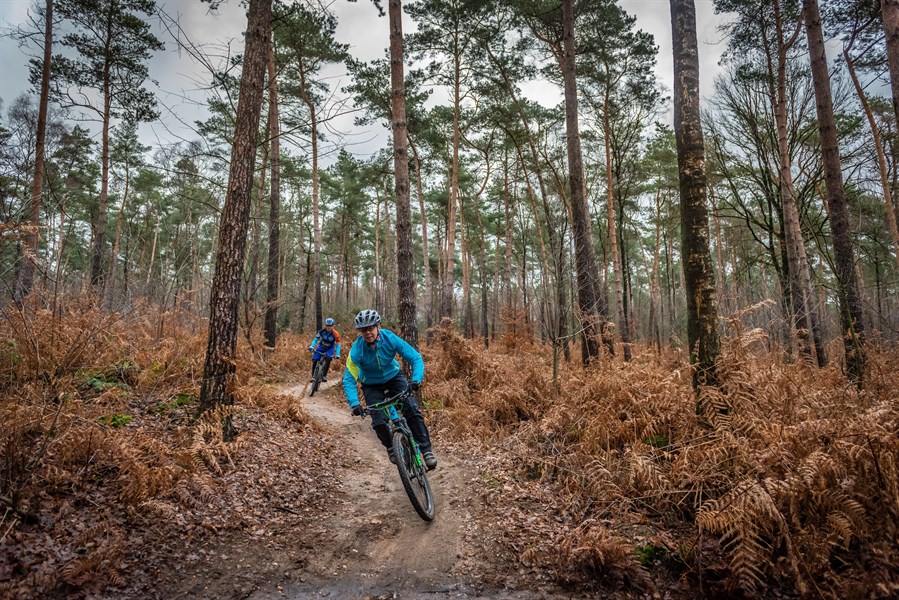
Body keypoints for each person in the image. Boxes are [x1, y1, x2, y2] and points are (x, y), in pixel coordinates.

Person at [342, 309, 437, 470]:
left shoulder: (389, 338)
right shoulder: (357, 350)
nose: (367, 333)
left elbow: (415, 358)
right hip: (371, 386)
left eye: (370, 328)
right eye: (363, 330)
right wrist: (354, 403)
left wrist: (416, 380)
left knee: (412, 411)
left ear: (378, 326)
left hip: (394, 378)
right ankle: (391, 447)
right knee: (379, 422)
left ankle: (426, 450)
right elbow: (349, 379)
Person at [308, 317, 341, 382]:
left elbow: (338, 344)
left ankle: (324, 376)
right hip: (321, 347)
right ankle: (313, 376)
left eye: (330, 326)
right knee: (315, 360)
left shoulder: (336, 334)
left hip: (330, 348)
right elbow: (316, 339)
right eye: (327, 326)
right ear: (325, 326)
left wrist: (337, 354)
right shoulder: (322, 331)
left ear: (333, 326)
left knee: (328, 359)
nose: (329, 327)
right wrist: (312, 346)